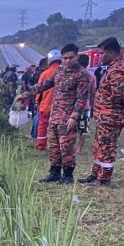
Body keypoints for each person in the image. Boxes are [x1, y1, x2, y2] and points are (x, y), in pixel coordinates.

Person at [24, 43, 92, 184]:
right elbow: (44, 85)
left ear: (76, 56)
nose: (67, 61)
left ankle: (67, 175)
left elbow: (82, 98)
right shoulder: (60, 71)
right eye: (64, 58)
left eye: (70, 58)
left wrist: (74, 117)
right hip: (54, 115)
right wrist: (26, 94)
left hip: (68, 117)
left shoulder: (82, 74)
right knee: (53, 146)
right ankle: (54, 173)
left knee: (66, 147)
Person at [80, 37, 124, 186]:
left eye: (102, 53)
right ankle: (95, 175)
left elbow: (119, 93)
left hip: (111, 116)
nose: (100, 57)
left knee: (107, 147)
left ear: (111, 52)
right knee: (99, 145)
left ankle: (104, 179)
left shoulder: (117, 69)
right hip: (105, 114)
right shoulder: (112, 67)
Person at [34, 50, 62, 150]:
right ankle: (57, 146)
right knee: (59, 127)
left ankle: (41, 145)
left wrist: (37, 101)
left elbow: (38, 90)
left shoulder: (45, 74)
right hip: (61, 108)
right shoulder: (64, 73)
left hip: (45, 105)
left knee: (42, 125)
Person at [76, 53, 97, 155]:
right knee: (83, 128)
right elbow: (93, 92)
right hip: (85, 106)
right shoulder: (91, 76)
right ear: (88, 63)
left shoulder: (74, 75)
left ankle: (69, 146)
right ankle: (79, 148)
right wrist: (92, 104)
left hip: (72, 106)